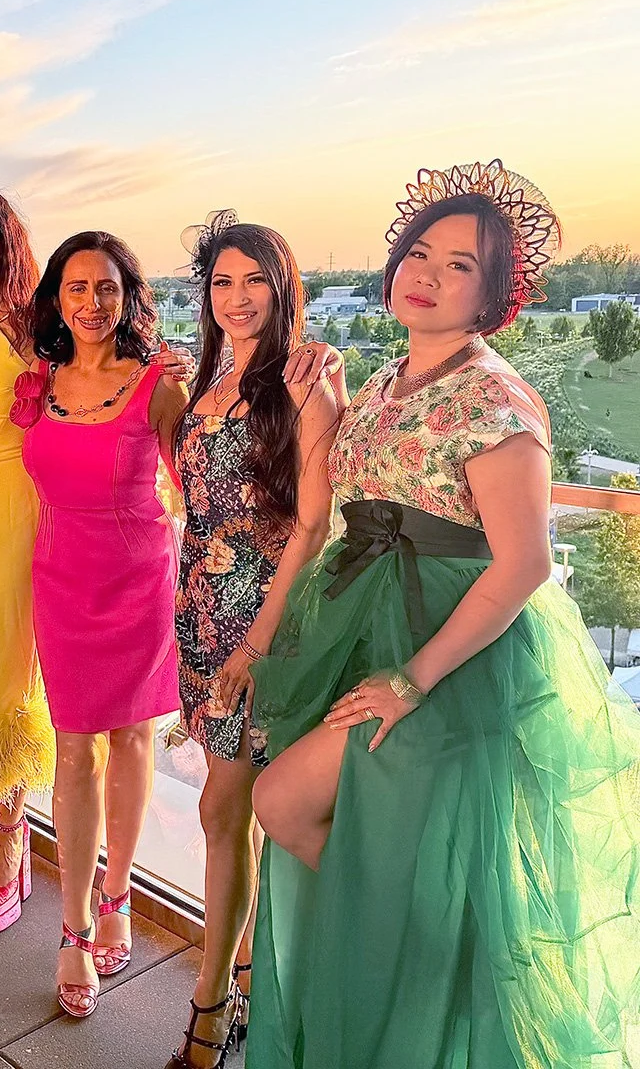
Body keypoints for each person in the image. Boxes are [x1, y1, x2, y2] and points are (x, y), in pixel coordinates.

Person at [247, 160, 640, 1068]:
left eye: (459, 265)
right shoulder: (391, 378)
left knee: (288, 803)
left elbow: (526, 561)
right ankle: (424, 1003)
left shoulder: (497, 399)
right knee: (392, 857)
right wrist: (323, 397)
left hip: (449, 660)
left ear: (493, 295)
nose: (427, 274)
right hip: (372, 632)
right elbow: (350, 491)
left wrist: (412, 679)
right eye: (419, 253)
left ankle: (450, 1002)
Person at [0, 189, 193, 938]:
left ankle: (6, 830)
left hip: (16, 515)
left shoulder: (36, 331)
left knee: (6, 668)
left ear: (6, 243)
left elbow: (174, 452)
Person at [167, 215, 340, 1068]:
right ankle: (247, 970)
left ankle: (209, 1007)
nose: (236, 299)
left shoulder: (303, 384)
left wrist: (256, 642)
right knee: (233, 809)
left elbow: (312, 526)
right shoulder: (206, 381)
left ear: (283, 288)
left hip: (264, 623)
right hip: (200, 614)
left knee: (222, 808)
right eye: (221, 283)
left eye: (254, 282)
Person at [13, 230, 187, 1018]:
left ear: (127, 297)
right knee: (75, 749)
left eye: (107, 287)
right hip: (60, 580)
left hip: (139, 580)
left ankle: (118, 891)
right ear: (57, 298)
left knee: (134, 740)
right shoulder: (37, 382)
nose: (92, 302)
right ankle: (75, 925)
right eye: (77, 287)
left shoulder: (158, 384)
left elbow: (197, 485)